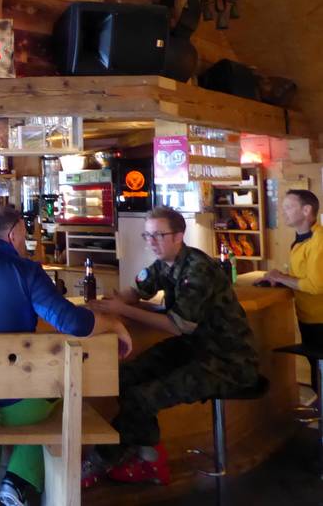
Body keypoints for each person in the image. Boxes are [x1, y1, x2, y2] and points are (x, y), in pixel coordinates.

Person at [0, 206, 131, 506]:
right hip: (18, 403)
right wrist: (113, 324)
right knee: (61, 399)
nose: (26, 242)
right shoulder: (26, 271)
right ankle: (16, 482)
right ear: (13, 234)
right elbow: (73, 323)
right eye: (25, 235)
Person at [82, 206, 259, 488]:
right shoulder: (164, 264)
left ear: (178, 236)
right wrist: (113, 303)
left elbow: (178, 325)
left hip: (227, 359)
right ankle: (148, 457)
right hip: (192, 348)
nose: (151, 241)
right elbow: (138, 290)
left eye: (158, 235)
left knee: (142, 398)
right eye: (147, 235)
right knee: (123, 378)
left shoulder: (198, 269)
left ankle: (103, 460)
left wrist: (123, 310)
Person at [260, 189, 323, 397]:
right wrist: (281, 278)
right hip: (310, 318)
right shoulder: (302, 239)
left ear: (306, 210)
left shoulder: (318, 241)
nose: (283, 212)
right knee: (318, 374)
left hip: (319, 320)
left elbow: (315, 286)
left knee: (320, 375)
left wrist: (281, 277)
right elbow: (304, 277)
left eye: (288, 207)